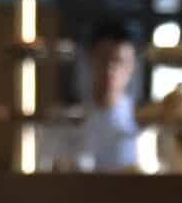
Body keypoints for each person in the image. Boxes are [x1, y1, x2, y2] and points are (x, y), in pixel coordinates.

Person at [43, 19, 139, 171]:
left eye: (118, 61)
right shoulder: (63, 118)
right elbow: (46, 166)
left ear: (132, 65)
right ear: (89, 60)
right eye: (103, 59)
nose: (110, 70)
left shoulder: (142, 122)